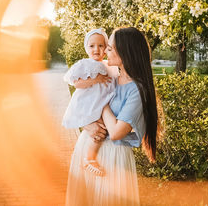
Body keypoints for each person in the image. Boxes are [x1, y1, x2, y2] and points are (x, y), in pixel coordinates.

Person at [65, 27, 158, 206]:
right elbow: (83, 103)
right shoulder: (111, 77)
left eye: (110, 47)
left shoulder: (137, 90)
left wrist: (103, 104)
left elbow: (116, 132)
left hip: (112, 156)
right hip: (87, 146)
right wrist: (87, 125)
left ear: (125, 52)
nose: (105, 51)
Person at [62, 28, 117, 176]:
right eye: (92, 46)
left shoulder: (108, 65)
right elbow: (76, 83)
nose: (96, 49)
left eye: (100, 45)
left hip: (102, 102)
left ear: (106, 48)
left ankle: (90, 158)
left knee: (103, 126)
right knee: (99, 129)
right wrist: (95, 80)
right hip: (90, 102)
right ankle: (89, 158)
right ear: (86, 48)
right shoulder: (84, 64)